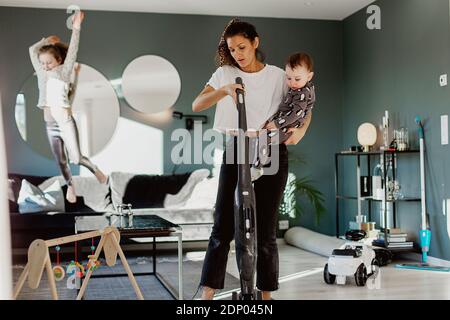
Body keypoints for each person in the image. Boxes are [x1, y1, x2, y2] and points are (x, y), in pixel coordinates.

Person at [192, 18, 313, 300]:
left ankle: (266, 295)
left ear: (255, 43)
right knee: (222, 224)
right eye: (232, 49)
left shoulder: (276, 76)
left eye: (242, 47)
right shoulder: (224, 73)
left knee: (266, 229)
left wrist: (299, 133)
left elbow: (305, 106)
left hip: (271, 149)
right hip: (237, 148)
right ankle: (208, 293)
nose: (238, 54)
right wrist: (224, 90)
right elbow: (197, 104)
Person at [29, 11, 107, 203]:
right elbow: (32, 50)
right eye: (42, 63)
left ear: (59, 61)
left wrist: (77, 27)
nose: (45, 66)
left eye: (48, 62)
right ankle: (71, 187)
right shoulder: (40, 72)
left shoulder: (64, 72)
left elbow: (73, 48)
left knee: (77, 158)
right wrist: (47, 40)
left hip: (65, 122)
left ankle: (95, 170)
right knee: (60, 160)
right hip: (50, 124)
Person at [251, 52, 315, 176]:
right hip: (284, 119)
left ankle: (257, 167)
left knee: (265, 138)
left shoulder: (303, 93)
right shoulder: (299, 87)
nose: (292, 83)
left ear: (309, 76)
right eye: (289, 78)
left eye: (297, 79)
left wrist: (277, 123)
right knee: (263, 134)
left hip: (289, 124)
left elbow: (296, 114)